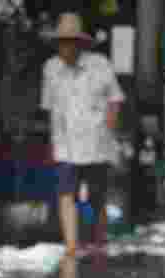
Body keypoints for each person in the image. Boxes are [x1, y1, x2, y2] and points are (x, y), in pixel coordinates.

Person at [40, 12, 125, 254]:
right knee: (66, 195)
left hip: (96, 144)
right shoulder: (51, 68)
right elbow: (51, 110)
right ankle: (71, 247)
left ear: (79, 43)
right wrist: (52, 145)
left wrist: (109, 133)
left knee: (97, 198)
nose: (63, 47)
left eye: (68, 42)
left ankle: (99, 242)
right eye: (60, 42)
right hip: (65, 144)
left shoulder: (99, 65)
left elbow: (115, 101)